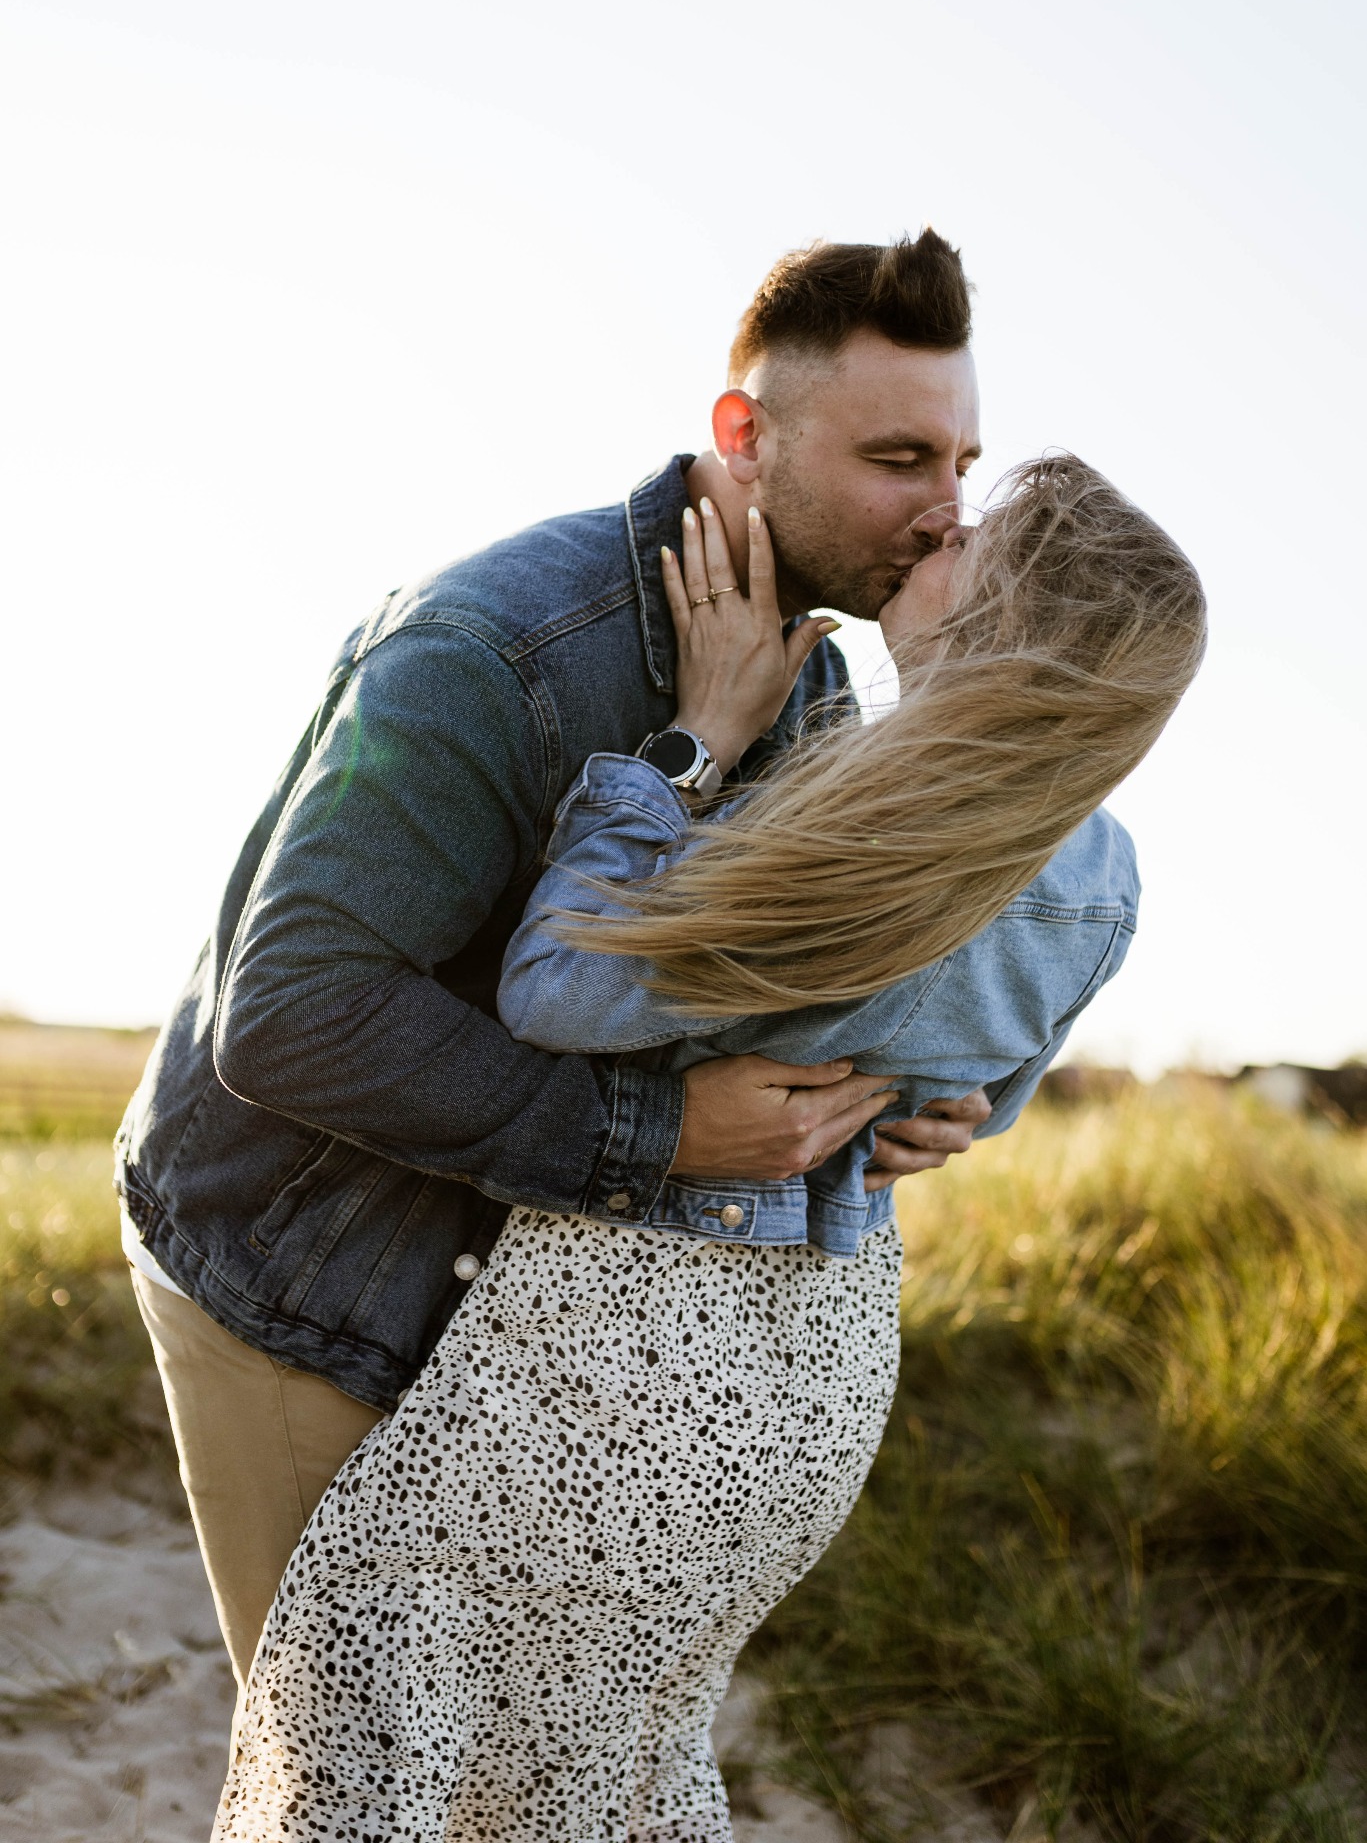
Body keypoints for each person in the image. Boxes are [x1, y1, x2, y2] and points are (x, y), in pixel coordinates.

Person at [212, 452, 1206, 1839]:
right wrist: (936, 1105)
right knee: (621, 1746)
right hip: (824, 1373)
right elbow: (993, 1104)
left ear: (1008, 623)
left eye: (972, 537)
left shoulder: (856, 825)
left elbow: (556, 990)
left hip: (637, 1359)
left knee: (381, 1719)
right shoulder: (1106, 871)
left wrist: (690, 747)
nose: (940, 522)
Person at [119, 230, 997, 1696]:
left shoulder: (823, 680)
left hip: (524, 1318)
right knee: (338, 1757)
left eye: (964, 461)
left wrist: (893, 1095)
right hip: (307, 1280)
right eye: (898, 459)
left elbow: (726, 986)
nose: (945, 511)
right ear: (746, 435)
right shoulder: (504, 644)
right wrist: (664, 1132)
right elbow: (291, 1014)